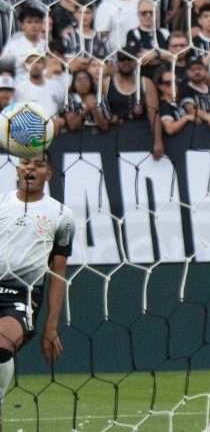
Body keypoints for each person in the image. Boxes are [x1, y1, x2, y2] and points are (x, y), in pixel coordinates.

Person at [0, 152, 76, 407]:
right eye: (25, 163)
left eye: (39, 165)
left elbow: (57, 273)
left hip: (22, 295)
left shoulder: (61, 216)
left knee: (1, 345)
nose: (30, 169)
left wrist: (51, 327)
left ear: (49, 174)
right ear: (17, 170)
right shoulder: (1, 203)